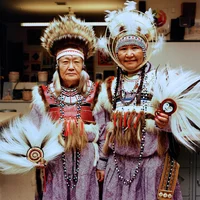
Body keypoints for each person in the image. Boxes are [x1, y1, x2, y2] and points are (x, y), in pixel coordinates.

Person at [94, 1, 200, 199]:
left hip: (152, 166)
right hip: (116, 166)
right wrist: (101, 162)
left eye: (135, 48)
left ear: (144, 50)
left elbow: (177, 122)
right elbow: (102, 130)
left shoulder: (161, 81)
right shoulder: (109, 87)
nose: (130, 54)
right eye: (124, 49)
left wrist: (167, 124)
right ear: (116, 54)